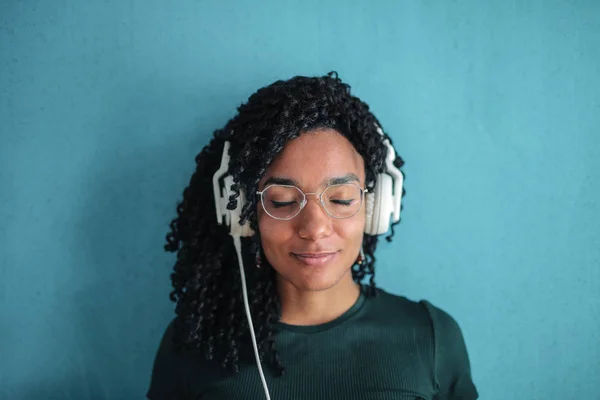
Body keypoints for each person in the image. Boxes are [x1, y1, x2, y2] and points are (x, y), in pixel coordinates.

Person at [147, 72, 478, 400]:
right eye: (283, 201)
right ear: (243, 213)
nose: (315, 228)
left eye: (341, 199)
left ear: (375, 207)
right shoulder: (193, 343)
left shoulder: (431, 336)